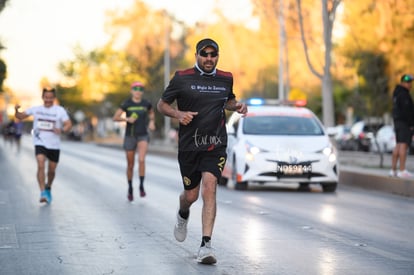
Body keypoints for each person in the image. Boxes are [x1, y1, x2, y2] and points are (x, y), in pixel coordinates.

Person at [157, 38, 248, 264]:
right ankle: (183, 213)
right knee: (191, 195)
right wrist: (178, 114)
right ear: (197, 55)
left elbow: (227, 100)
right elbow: (162, 105)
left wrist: (236, 105)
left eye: (213, 54)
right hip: (189, 146)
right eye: (204, 54)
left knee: (210, 187)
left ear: (217, 56)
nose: (209, 58)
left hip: (215, 144)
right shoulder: (182, 77)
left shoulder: (226, 78)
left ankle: (205, 245)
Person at [15, 88, 72, 203]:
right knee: (40, 164)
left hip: (54, 145)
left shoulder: (59, 110)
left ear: (54, 98)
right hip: (40, 142)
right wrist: (16, 110)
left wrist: (61, 129)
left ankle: (48, 187)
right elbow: (20, 116)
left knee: (51, 170)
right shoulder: (36, 109)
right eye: (46, 97)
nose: (48, 100)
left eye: (51, 98)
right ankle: (42, 193)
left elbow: (68, 124)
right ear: (43, 97)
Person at [113, 81, 156, 201]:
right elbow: (115, 117)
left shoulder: (146, 103)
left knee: (141, 160)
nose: (138, 91)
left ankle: (141, 186)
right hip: (130, 136)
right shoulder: (127, 103)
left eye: (140, 89)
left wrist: (152, 122)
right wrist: (127, 119)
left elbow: (151, 113)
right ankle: (130, 187)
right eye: (135, 89)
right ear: (132, 90)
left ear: (142, 92)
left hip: (143, 135)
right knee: (130, 165)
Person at [390, 74, 414, 178]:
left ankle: (393, 170)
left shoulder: (396, 93)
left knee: (398, 145)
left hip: (397, 122)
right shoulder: (404, 95)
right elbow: (407, 111)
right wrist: (411, 124)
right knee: (403, 145)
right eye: (408, 82)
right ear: (403, 82)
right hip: (404, 123)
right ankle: (402, 170)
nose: (410, 85)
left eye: (410, 82)